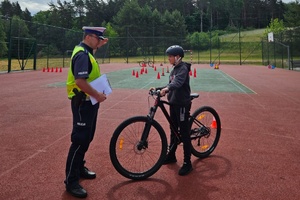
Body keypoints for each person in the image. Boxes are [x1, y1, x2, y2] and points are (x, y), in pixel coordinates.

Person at [65, 26, 108, 198]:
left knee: (87, 138)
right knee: (80, 140)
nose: (100, 42)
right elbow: (80, 81)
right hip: (83, 102)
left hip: (89, 102)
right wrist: (97, 94)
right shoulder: (82, 54)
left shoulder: (86, 51)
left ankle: (79, 167)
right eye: (98, 39)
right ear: (90, 37)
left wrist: (98, 45)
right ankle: (71, 181)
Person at [150, 45, 192, 176]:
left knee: (184, 133)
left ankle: (187, 162)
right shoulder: (174, 69)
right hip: (173, 103)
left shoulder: (183, 68)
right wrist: (159, 88)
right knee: (173, 131)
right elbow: (170, 84)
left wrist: (166, 89)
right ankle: (172, 155)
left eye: (170, 56)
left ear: (177, 57)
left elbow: (177, 83)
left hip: (182, 105)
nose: (168, 58)